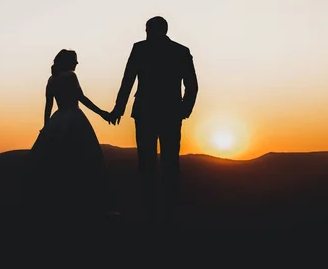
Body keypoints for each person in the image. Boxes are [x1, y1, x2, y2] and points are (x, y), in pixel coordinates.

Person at [110, 16, 198, 221]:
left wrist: (118, 108)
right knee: (170, 161)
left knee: (146, 161)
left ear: (149, 30)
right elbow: (192, 86)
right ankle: (170, 209)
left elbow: (128, 80)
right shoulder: (181, 51)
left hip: (145, 112)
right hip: (171, 114)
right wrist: (184, 109)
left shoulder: (140, 49)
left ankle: (148, 209)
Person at [25, 49, 114, 221]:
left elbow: (48, 106)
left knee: (56, 160)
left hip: (57, 120)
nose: (77, 63)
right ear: (68, 62)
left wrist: (46, 127)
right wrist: (102, 113)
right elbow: (81, 98)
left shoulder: (51, 79)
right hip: (73, 118)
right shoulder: (70, 77)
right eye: (75, 60)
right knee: (83, 158)